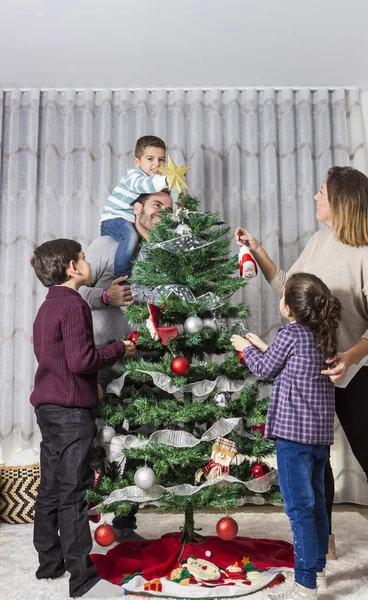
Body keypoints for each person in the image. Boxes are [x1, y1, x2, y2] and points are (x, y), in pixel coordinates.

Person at [235, 166, 368, 582]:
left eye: (322, 192)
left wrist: (350, 356)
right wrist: (257, 249)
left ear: (341, 200)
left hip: (356, 369)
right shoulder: (319, 240)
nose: (314, 196)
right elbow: (291, 287)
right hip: (314, 369)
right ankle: (319, 545)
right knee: (317, 459)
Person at [30, 239, 137, 598]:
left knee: (51, 486)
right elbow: (80, 360)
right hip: (70, 412)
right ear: (73, 268)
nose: (88, 262)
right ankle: (83, 579)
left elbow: (54, 358)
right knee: (74, 491)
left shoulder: (47, 306)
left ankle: (49, 563)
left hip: (46, 406)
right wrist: (120, 348)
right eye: (84, 258)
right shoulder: (74, 305)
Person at [231, 273, 341, 600]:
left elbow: (266, 370)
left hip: (293, 439)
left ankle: (305, 582)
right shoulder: (322, 335)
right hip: (318, 437)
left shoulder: (290, 333)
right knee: (317, 503)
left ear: (290, 308)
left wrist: (244, 349)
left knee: (299, 508)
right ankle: (318, 570)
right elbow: (290, 365)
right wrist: (262, 346)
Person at [80, 190, 173, 538]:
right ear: (137, 209)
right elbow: (72, 294)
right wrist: (107, 296)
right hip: (103, 359)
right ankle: (80, 525)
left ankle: (124, 524)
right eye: (155, 205)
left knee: (136, 444)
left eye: (168, 207)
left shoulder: (165, 254)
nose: (162, 212)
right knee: (94, 442)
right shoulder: (105, 245)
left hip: (145, 360)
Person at [100, 135, 169, 280]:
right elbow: (145, 184)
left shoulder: (153, 180)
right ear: (137, 162)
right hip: (114, 219)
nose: (157, 164)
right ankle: (120, 279)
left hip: (129, 220)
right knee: (130, 236)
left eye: (161, 159)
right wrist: (169, 179)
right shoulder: (134, 177)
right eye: (150, 159)